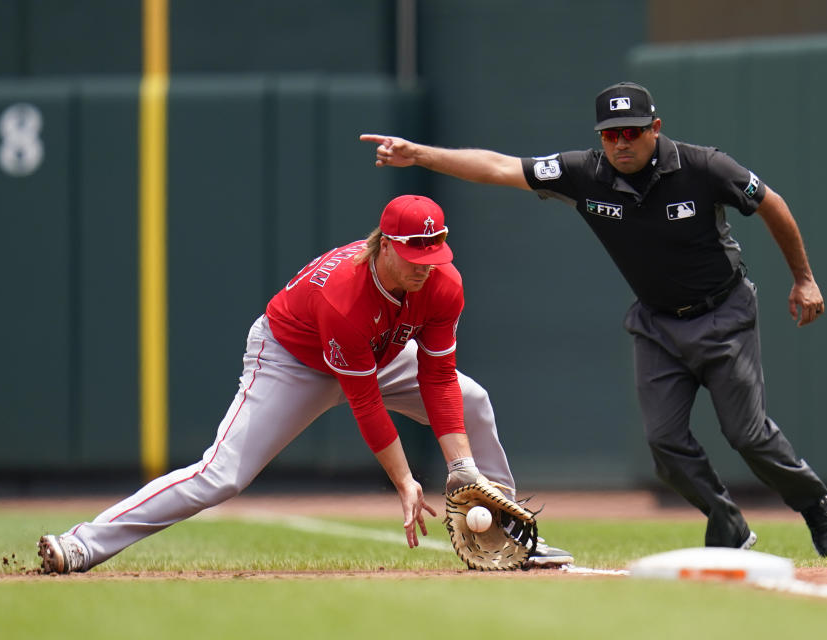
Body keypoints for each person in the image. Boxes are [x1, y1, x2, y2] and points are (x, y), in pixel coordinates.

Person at [360, 82, 827, 556]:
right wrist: (420, 154)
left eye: (631, 131)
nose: (621, 143)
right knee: (664, 445)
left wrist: (804, 278)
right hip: (657, 325)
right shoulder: (585, 174)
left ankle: (813, 503)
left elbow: (771, 204)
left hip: (724, 313)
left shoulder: (704, 166)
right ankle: (727, 520)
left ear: (655, 128)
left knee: (747, 435)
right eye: (610, 134)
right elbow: (499, 167)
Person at [37, 194, 572, 574]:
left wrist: (460, 470)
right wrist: (406, 481)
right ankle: (83, 543)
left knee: (472, 399)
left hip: (378, 349)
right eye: (414, 257)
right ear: (384, 246)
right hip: (292, 358)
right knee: (222, 475)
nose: (424, 268)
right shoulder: (345, 295)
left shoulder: (443, 284)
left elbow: (437, 376)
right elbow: (363, 402)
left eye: (432, 256)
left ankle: (509, 534)